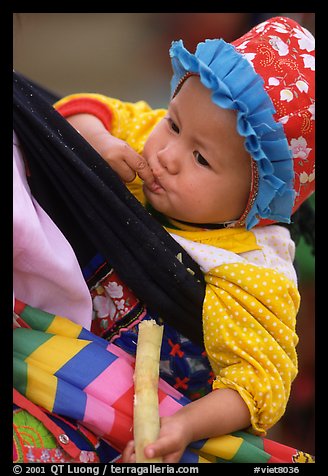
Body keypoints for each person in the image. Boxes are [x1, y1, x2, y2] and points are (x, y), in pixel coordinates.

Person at [52, 16, 315, 463]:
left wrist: (184, 425)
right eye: (174, 124)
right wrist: (97, 140)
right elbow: (77, 108)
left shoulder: (250, 269)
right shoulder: (151, 138)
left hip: (130, 410)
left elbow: (258, 383)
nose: (167, 156)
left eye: (200, 158)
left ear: (254, 202)